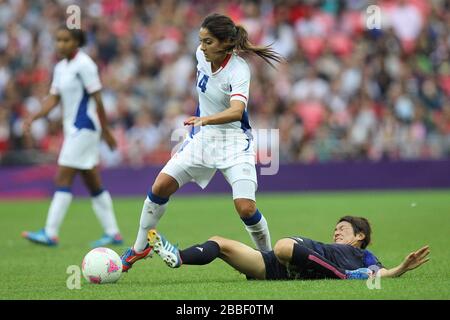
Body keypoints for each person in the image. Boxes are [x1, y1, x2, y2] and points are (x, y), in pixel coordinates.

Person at [120, 13, 283, 271]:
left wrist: (204, 120)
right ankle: (140, 248)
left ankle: (270, 260)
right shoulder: (200, 55)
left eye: (208, 42)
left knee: (245, 208)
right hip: (203, 141)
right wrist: (202, 121)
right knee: (161, 186)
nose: (202, 47)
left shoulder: (239, 69)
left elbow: (237, 111)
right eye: (201, 41)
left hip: (234, 144)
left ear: (225, 42)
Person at [21, 26, 123, 248]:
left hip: (84, 127)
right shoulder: (60, 67)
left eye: (65, 40)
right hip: (74, 129)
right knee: (92, 181)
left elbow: (98, 99)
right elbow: (53, 99)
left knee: (62, 177)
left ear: (77, 42)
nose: (60, 44)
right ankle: (113, 233)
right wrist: (33, 117)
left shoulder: (85, 65)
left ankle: (50, 232)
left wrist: (106, 131)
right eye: (58, 40)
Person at [147, 216, 430, 281]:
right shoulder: (330, 247)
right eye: (336, 228)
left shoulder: (362, 254)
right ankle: (178, 257)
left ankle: (339, 277)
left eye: (342, 229)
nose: (336, 231)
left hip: (291, 255)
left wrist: (399, 269)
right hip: (278, 266)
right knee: (220, 242)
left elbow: (375, 273)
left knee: (283, 245)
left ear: (360, 236)